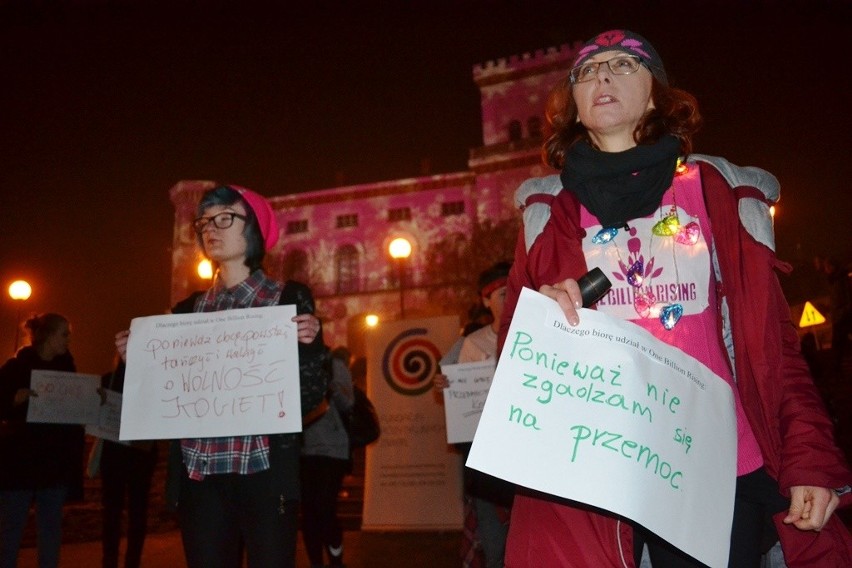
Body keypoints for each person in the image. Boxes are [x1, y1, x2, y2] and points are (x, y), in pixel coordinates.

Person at [498, 30, 852, 567]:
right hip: (601, 475)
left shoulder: (714, 193)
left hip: (714, 468)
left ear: (658, 95)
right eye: (587, 72)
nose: (603, 77)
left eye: (624, 65)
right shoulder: (548, 217)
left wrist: (810, 459)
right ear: (572, 103)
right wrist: (543, 324)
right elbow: (514, 364)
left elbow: (772, 350)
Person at [115, 184, 328, 568]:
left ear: (255, 229)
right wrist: (137, 363)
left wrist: (310, 347)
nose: (210, 228)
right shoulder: (185, 311)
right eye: (204, 222)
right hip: (202, 478)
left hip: (263, 473)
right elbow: (162, 399)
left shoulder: (288, 299)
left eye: (224, 218)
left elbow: (311, 397)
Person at [435, 261, 515, 568]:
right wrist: (445, 383)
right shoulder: (472, 343)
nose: (510, 299)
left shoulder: (532, 333)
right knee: (494, 542)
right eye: (503, 294)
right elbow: (455, 386)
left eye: (515, 292)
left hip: (523, 460)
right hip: (485, 461)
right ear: (486, 300)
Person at [0, 313, 85, 568]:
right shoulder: (15, 367)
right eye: (64, 334)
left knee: (50, 528)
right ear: (47, 336)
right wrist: (14, 400)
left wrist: (91, 402)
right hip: (20, 464)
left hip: (54, 464)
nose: (68, 340)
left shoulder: (67, 370)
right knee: (11, 527)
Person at [97, 360, 158, 568]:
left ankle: (112, 561)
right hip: (135, 457)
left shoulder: (110, 379)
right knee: (133, 513)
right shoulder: (150, 382)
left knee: (115, 513)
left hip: (122, 456)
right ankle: (126, 561)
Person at [300, 346, 355, 568]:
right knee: (309, 513)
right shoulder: (290, 365)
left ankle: (336, 560)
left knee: (325, 509)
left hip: (331, 451)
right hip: (302, 451)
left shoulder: (334, 365)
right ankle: (316, 563)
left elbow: (348, 402)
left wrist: (328, 383)